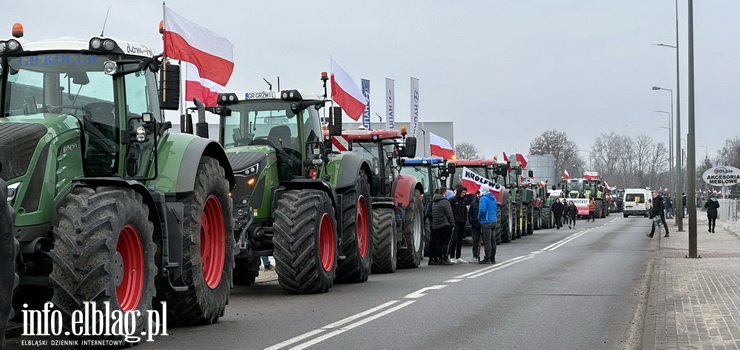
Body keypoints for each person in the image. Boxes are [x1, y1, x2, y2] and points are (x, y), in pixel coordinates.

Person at [430, 187, 455, 266]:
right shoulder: (445, 202)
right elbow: (449, 214)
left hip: (437, 225)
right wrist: (452, 224)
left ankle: (440, 258)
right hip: (445, 225)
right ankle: (445, 258)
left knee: (439, 242)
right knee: (446, 243)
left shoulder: (434, 202)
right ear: (444, 193)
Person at [448, 185, 468, 264]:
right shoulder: (452, 200)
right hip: (455, 223)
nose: (464, 194)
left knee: (460, 240)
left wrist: (465, 219)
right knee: (454, 239)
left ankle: (458, 256)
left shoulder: (464, 201)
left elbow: (465, 211)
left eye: (465, 193)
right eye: (463, 192)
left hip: (462, 222)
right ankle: (452, 256)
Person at [477, 184, 497, 264]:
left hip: (486, 221)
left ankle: (487, 257)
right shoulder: (493, 198)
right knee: (493, 241)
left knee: (487, 241)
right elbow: (495, 208)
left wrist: (479, 218)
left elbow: (482, 210)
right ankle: (492, 257)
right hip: (493, 220)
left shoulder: (483, 198)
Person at [468, 190, 482, 262]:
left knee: (485, 242)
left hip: (483, 225)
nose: (479, 195)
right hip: (475, 225)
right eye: (478, 194)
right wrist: (472, 222)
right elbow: (470, 214)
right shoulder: (473, 204)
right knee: (475, 242)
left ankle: (487, 256)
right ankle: (475, 256)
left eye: (480, 194)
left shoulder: (484, 202)